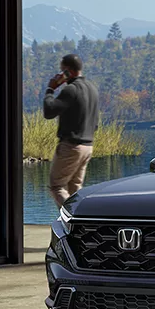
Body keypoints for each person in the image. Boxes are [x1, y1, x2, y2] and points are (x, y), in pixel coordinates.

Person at [43, 54, 100, 206]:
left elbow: (49, 112)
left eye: (62, 71)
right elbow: (95, 124)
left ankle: (72, 220)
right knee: (75, 188)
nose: (61, 75)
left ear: (67, 71)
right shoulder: (93, 89)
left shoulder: (71, 89)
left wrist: (50, 89)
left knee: (57, 186)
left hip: (71, 146)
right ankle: (78, 223)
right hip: (88, 147)